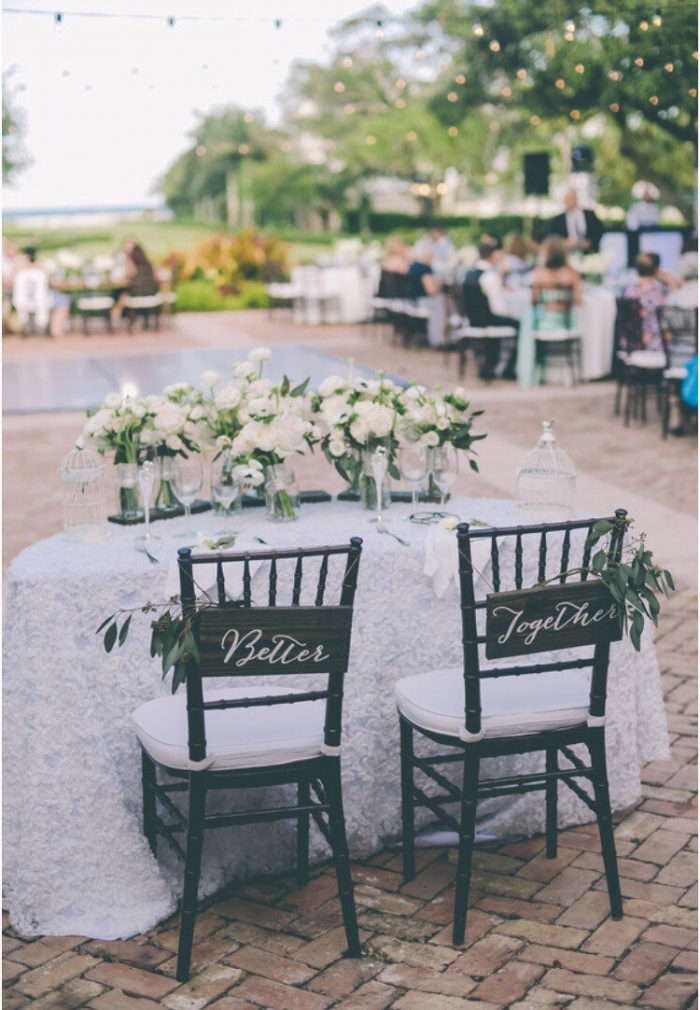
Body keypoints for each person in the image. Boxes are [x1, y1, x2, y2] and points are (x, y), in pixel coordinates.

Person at [462, 235, 519, 378]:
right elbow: (498, 309)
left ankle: (492, 364)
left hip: (473, 321)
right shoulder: (490, 277)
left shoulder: (470, 274)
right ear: (494, 254)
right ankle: (508, 369)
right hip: (488, 321)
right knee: (519, 324)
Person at [623, 252, 671, 351]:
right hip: (657, 343)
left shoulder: (628, 290)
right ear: (657, 269)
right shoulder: (661, 289)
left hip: (631, 343)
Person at [111, 240, 159, 326]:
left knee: (121, 293)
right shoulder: (146, 260)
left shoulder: (131, 261)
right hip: (150, 292)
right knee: (124, 293)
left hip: (137, 293)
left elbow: (129, 275)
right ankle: (122, 315)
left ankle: (118, 314)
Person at [549, 189, 604, 254]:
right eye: (565, 200)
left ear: (575, 199)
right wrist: (563, 243)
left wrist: (590, 242)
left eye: (568, 200)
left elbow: (600, 231)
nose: (565, 202)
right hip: (567, 254)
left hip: (589, 253)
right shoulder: (558, 219)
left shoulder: (589, 215)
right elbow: (551, 237)